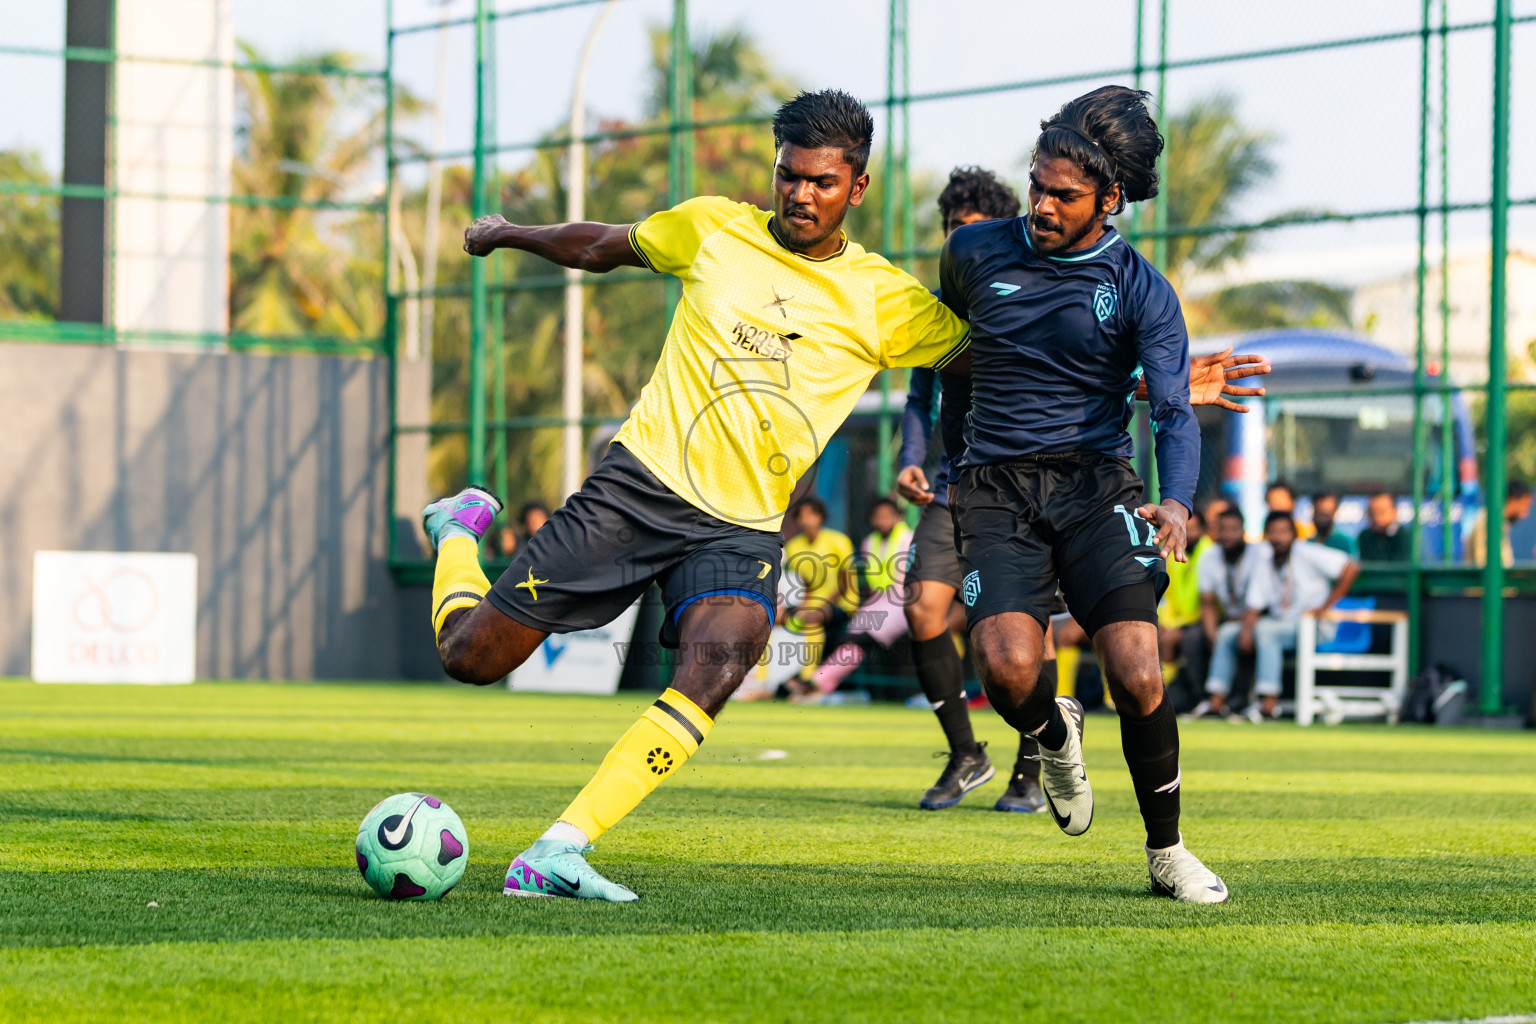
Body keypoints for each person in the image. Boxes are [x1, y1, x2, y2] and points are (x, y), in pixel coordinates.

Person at [429, 88, 1266, 902]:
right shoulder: (713, 226)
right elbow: (601, 243)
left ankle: (559, 849)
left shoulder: (885, 297)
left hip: (748, 526)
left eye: (821, 180)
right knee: (473, 657)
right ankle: (459, 532)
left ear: (855, 187)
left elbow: (1016, 358)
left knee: (725, 656)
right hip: (639, 487)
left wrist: (1164, 386)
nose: (800, 193)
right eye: (789, 174)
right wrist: (511, 232)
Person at [937, 86, 1263, 902]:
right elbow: (945, 365)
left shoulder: (1144, 289)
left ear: (1109, 200)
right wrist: (949, 467)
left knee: (1137, 670)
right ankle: (1053, 732)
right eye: (1038, 185)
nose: (1042, 206)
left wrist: (1178, 503)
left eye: (1064, 196)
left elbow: (1177, 410)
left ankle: (1168, 851)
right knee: (1011, 671)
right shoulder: (974, 254)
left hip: (1095, 484)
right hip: (994, 488)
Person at [897, 166, 1046, 813]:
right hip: (951, 487)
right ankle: (966, 754)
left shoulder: (1031, 292)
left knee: (1026, 635)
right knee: (922, 610)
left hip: (1024, 489)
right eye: (952, 231)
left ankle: (1035, 769)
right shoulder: (935, 304)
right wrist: (910, 459)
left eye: (973, 231)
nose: (961, 244)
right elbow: (919, 395)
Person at [1205, 510, 1361, 722]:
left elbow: (1351, 567)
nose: (1278, 538)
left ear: (1294, 535)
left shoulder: (1307, 552)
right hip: (1281, 623)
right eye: (1272, 533)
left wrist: (1326, 606)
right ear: (1265, 535)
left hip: (1314, 626)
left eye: (1283, 532)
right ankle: (1216, 704)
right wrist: (1245, 632)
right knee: (1227, 632)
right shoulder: (1265, 559)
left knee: (1266, 631)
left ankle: (1269, 706)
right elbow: (1254, 604)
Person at [805, 497, 913, 697]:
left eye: (887, 516)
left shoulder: (909, 538)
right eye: (878, 517)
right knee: (851, 639)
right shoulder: (869, 542)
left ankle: (816, 681)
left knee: (861, 638)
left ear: (898, 517)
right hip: (878, 601)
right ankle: (820, 683)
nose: (883, 521)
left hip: (904, 602)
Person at [1187, 505, 1265, 719]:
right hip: (1228, 617)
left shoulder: (1260, 553)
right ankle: (1201, 699)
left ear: (1243, 531)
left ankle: (1235, 701)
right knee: (1194, 638)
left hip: (1258, 616)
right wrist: (1211, 634)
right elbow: (1208, 602)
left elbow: (1258, 600)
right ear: (1215, 532)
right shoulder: (1209, 556)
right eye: (1223, 529)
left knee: (1237, 636)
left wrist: (1244, 629)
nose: (1228, 534)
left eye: (1233, 529)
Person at [781, 496, 859, 696]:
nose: (807, 519)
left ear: (821, 517)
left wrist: (821, 605)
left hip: (843, 604)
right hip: (813, 603)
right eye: (802, 515)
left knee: (812, 618)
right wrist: (802, 606)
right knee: (772, 616)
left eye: (812, 514)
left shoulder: (838, 541)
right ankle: (761, 682)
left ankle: (807, 679)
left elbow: (846, 584)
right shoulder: (794, 547)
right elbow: (807, 584)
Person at [1157, 509, 1209, 685]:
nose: (1189, 533)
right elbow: (1167, 596)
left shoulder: (1209, 552)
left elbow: (1208, 602)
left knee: (1170, 639)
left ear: (1203, 530)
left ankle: (1167, 690)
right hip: (1178, 620)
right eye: (1185, 528)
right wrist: (1166, 622)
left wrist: (1175, 625)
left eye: (1193, 528)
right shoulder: (1172, 553)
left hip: (1199, 620)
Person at [1468, 479, 1533, 567]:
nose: (1525, 514)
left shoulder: (1500, 524)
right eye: (1525, 506)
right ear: (1513, 501)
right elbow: (1482, 563)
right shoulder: (1488, 521)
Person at [1357, 491, 1411, 562]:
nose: (1376, 517)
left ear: (1394, 512)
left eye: (1382, 512)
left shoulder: (1404, 536)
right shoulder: (1365, 536)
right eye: (1372, 512)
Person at [1310, 491, 1357, 558]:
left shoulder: (1345, 542)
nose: (1323, 520)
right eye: (1320, 514)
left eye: (1327, 514)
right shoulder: (1308, 544)